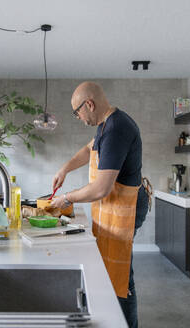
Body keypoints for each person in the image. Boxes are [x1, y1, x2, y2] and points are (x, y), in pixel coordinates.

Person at [50, 81, 151, 328]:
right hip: (116, 206)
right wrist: (65, 168)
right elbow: (89, 149)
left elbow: (101, 188)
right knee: (111, 269)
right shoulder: (106, 125)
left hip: (126, 208)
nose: (79, 118)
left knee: (121, 273)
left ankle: (126, 323)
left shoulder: (116, 128)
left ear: (89, 104)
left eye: (77, 112)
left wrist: (66, 198)